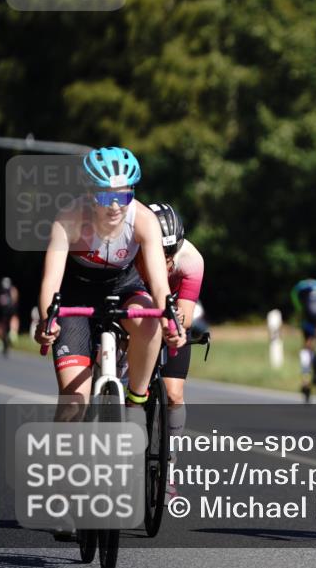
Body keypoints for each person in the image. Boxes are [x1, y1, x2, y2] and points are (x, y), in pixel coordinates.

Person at [34, 147, 181, 420]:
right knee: (73, 403)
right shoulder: (69, 218)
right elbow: (51, 280)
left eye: (123, 196)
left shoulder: (144, 220)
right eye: (105, 197)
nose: (115, 207)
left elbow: (160, 285)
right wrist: (47, 320)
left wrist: (169, 322)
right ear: (89, 194)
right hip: (76, 294)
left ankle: (136, 402)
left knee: (150, 321)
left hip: (123, 286)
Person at [140, 203, 205, 497]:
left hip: (170, 317)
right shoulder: (133, 249)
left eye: (171, 253)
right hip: (137, 314)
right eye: (159, 252)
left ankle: (169, 464)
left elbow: (186, 317)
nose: (165, 260)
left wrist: (175, 326)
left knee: (174, 394)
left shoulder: (191, 260)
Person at [0, 276, 19, 353]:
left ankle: (0, 339)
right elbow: (15, 299)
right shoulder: (12, 289)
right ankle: (12, 333)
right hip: (7, 310)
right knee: (13, 318)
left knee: (0, 323)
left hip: (4, 311)